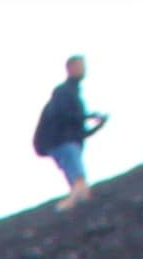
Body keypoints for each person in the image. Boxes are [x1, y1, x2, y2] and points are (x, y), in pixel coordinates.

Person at [34, 56, 106, 208]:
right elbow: (65, 115)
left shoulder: (71, 93)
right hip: (61, 141)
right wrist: (89, 117)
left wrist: (95, 123)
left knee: (78, 182)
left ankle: (76, 206)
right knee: (79, 181)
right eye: (80, 66)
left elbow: (78, 128)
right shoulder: (64, 91)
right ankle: (66, 206)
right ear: (70, 68)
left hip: (61, 142)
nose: (83, 69)